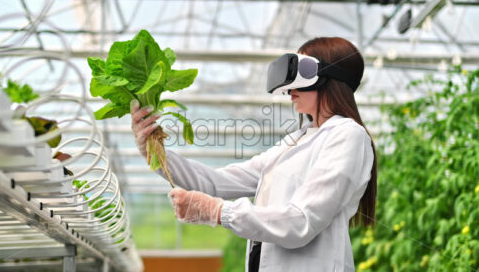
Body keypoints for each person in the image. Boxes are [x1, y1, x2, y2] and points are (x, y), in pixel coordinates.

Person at [130, 37, 377, 272]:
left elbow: (301, 222)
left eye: (299, 73)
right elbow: (216, 183)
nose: (290, 88)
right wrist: (153, 151)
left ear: (327, 77)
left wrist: (218, 212)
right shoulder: (297, 139)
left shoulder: (348, 136)